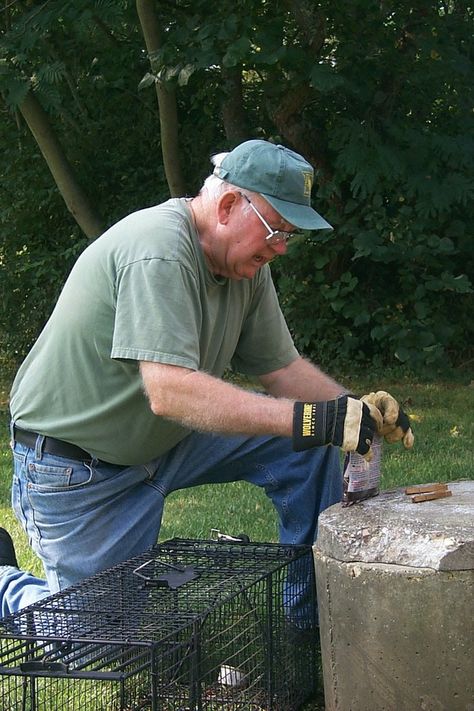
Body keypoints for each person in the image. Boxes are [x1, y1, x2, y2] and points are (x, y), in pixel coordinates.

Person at [0, 139, 413, 619]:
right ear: (228, 205)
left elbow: (282, 369)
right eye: (275, 229)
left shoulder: (245, 268)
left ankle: (308, 624)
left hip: (168, 443)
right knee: (92, 636)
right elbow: (170, 392)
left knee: (311, 445)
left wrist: (352, 408)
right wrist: (310, 420)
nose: (280, 247)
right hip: (80, 464)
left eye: (289, 235)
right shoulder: (158, 249)